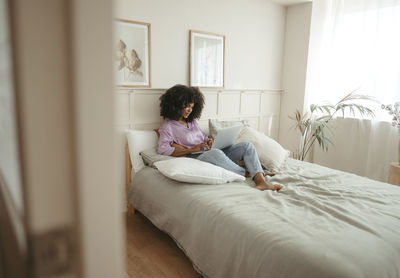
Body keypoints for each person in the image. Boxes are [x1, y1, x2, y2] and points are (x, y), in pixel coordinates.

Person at [157, 84, 282, 191]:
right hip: (198, 157)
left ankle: (261, 182)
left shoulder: (192, 122)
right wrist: (191, 150)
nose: (189, 110)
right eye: (186, 106)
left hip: (210, 151)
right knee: (216, 153)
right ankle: (251, 173)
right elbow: (163, 149)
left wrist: (209, 140)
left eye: (192, 106)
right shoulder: (168, 127)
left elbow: (203, 137)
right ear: (176, 105)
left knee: (246, 146)